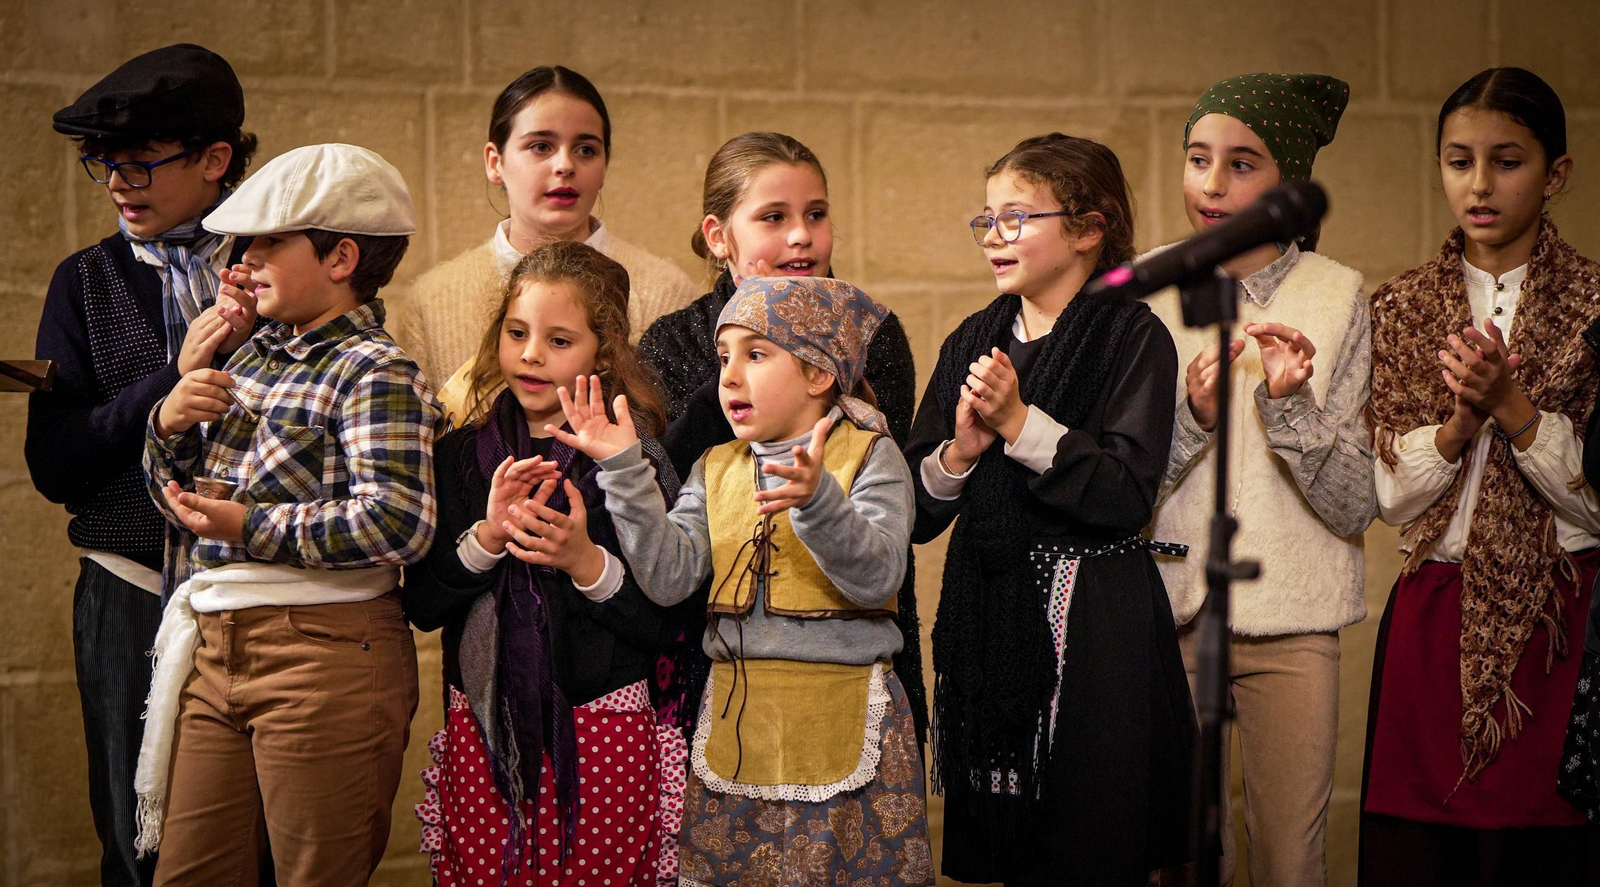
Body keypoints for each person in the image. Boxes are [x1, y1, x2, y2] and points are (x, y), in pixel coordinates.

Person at [560, 275, 932, 885]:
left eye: (756, 355)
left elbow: (879, 575)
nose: (729, 376)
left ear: (818, 373)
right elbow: (668, 577)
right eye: (724, 356)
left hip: (844, 711)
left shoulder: (870, 454)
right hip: (739, 720)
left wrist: (819, 504)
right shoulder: (715, 467)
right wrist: (624, 469)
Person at [138, 143, 439, 885]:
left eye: (270, 240)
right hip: (218, 642)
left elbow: (400, 521)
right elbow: (185, 503)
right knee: (190, 872)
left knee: (315, 873)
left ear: (340, 257)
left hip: (324, 652)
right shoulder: (248, 354)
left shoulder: (375, 367)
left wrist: (248, 526)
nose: (245, 257)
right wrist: (171, 418)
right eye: (245, 242)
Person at [908, 133, 1194, 886]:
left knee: (1091, 847)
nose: (995, 236)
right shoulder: (971, 339)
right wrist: (960, 454)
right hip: (991, 614)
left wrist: (1021, 426)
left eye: (1017, 217)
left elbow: (1126, 495)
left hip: (1098, 634)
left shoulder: (1132, 336)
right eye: (987, 219)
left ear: (1089, 229)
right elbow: (915, 510)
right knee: (1018, 855)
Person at [25, 43, 257, 887]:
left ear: (216, 159)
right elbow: (54, 463)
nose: (119, 183)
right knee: (137, 841)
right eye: (103, 167)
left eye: (139, 164)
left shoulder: (282, 260)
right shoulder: (83, 282)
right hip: (126, 592)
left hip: (257, 594)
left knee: (259, 843)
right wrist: (164, 394)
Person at [1363, 67, 1600, 884]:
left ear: (1556, 173)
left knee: (1545, 851)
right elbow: (1390, 494)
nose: (1480, 183)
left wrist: (1516, 408)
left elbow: (1595, 502)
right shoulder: (1399, 308)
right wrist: (1461, 424)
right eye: (1459, 160)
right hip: (1434, 609)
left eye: (1507, 160)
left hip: (1563, 618)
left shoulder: (1596, 307)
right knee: (1425, 854)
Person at [404, 240, 687, 886]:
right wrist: (486, 537)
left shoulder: (634, 460)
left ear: (602, 353)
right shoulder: (458, 458)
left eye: (560, 340)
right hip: (487, 731)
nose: (530, 354)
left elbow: (665, 619)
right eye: (517, 332)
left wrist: (585, 561)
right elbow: (420, 604)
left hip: (604, 732)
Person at [1146, 73, 1370, 886]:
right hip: (1166, 616)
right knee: (1175, 859)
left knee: (1288, 859)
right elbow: (1114, 485)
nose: (1211, 183)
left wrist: (1291, 411)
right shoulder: (1146, 291)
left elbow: (1356, 503)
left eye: (1243, 163)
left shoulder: (1339, 297)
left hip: (1295, 623)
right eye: (1198, 158)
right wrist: (1194, 420)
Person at [637, 131, 927, 744]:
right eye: (774, 217)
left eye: (816, 215)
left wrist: (791, 337)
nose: (802, 235)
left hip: (847, 636)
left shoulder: (868, 332)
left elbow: (884, 494)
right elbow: (672, 489)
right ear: (720, 237)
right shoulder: (673, 340)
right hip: (722, 652)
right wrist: (754, 340)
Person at [395, 65, 697, 425]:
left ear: (604, 166)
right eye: (541, 146)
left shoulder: (668, 293)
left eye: (586, 149)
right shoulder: (433, 301)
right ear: (495, 162)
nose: (565, 165)